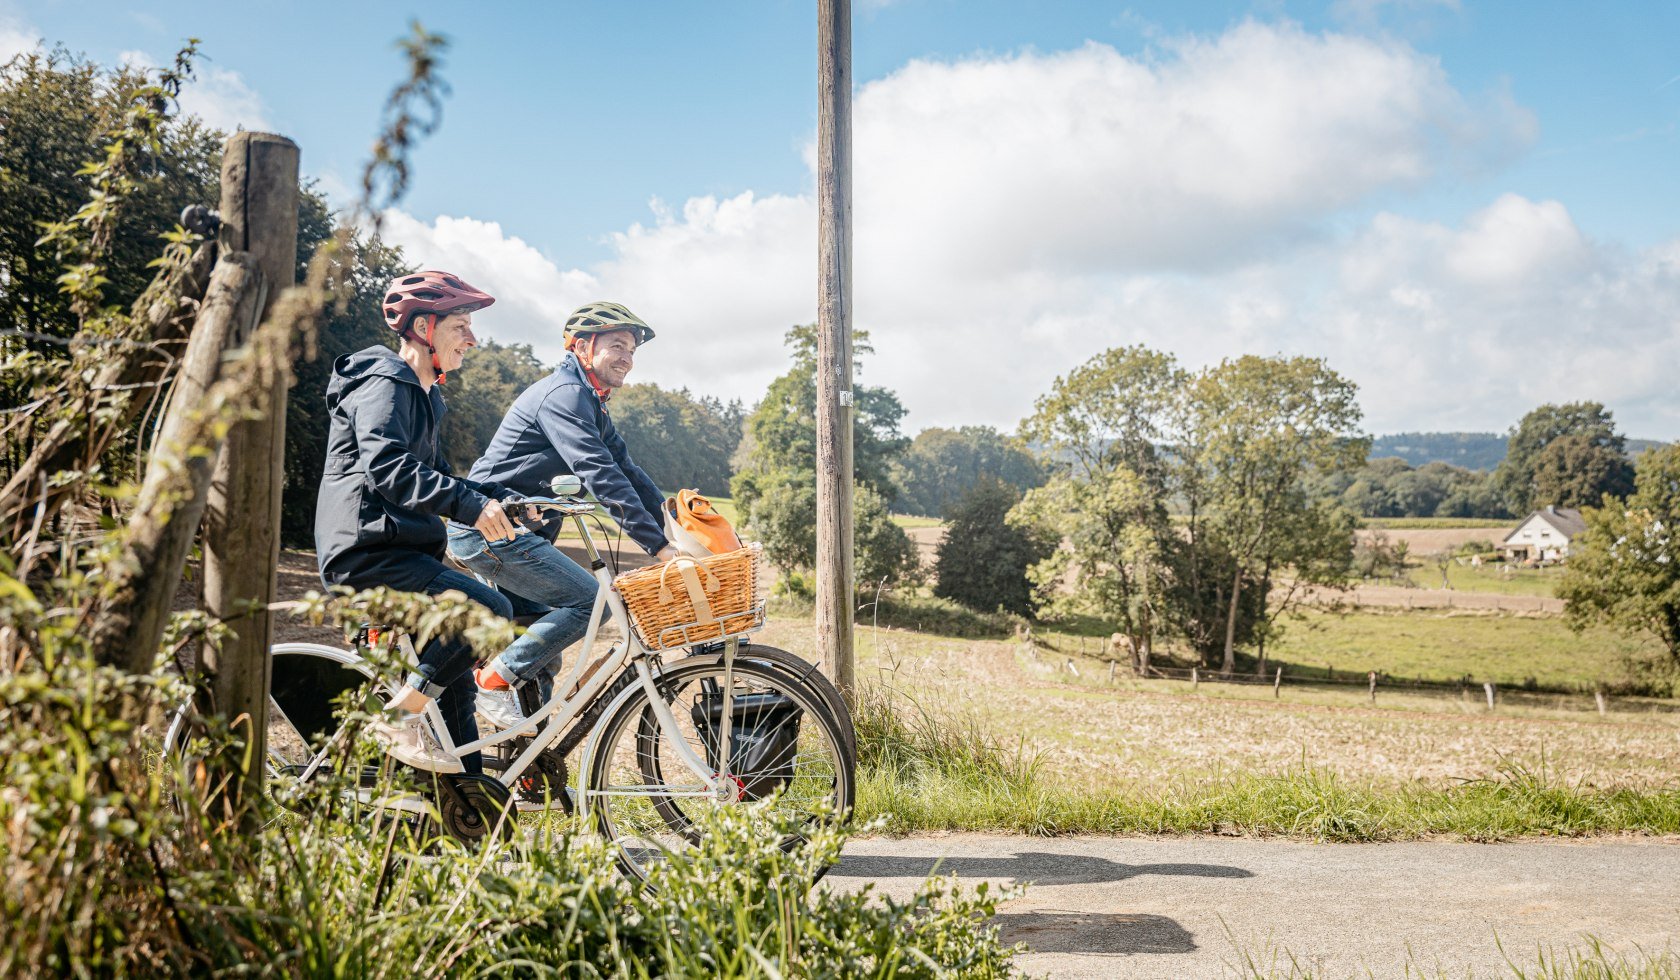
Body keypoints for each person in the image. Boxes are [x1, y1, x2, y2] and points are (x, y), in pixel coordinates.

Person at [314, 270, 565, 773]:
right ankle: (394, 719)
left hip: (401, 552)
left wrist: (504, 498)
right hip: (368, 553)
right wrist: (472, 508)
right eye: (461, 326)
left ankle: (468, 806)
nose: (472, 339)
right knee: (486, 610)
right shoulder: (385, 381)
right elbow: (389, 469)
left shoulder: (422, 398)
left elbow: (439, 477)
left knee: (455, 699)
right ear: (424, 328)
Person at [446, 301, 679, 728]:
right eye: (617, 345)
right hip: (489, 527)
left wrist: (676, 521)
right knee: (591, 603)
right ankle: (493, 682)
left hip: (515, 532)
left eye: (632, 349)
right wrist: (660, 547)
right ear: (581, 347)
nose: (627, 357)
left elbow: (627, 470)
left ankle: (530, 766)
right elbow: (600, 474)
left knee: (539, 647)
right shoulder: (564, 395)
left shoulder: (591, 402)